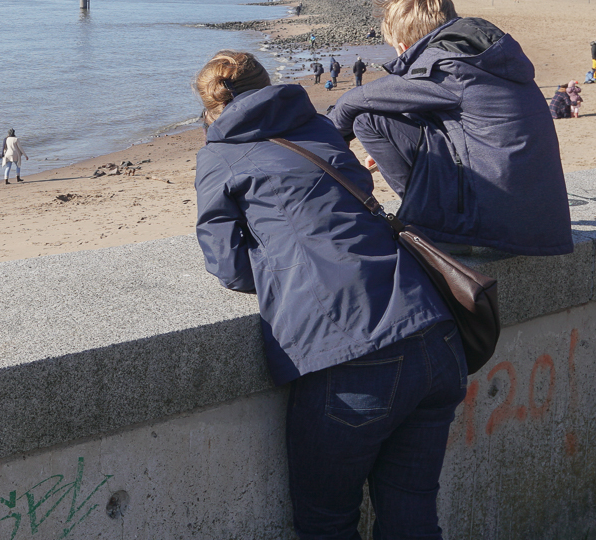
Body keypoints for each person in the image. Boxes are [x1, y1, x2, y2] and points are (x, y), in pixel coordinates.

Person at [193, 50, 464, 540]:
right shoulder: (317, 127)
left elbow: (230, 268)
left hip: (356, 355)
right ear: (270, 84)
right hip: (433, 332)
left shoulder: (219, 154)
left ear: (210, 104)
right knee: (412, 512)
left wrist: (284, 263)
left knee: (326, 521)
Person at [328, 0, 573, 256]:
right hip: (535, 221)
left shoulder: (447, 68)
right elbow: (461, 119)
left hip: (495, 227)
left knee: (368, 119)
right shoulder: (480, 57)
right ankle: (430, 216)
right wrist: (400, 147)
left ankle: (428, 223)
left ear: (403, 46)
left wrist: (324, 142)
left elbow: (357, 100)